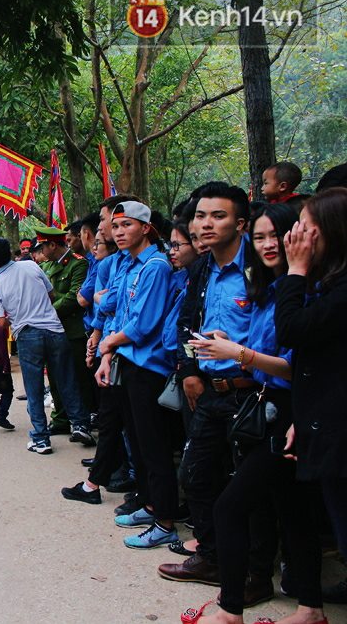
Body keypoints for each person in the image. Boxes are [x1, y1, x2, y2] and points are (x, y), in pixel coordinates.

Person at [178, 203, 318, 624]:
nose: (270, 244)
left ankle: (229, 608)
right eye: (260, 238)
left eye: (278, 235)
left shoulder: (305, 288)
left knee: (234, 506)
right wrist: (225, 347)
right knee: (292, 508)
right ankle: (310, 608)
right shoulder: (270, 290)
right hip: (269, 406)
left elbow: (296, 364)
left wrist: (240, 353)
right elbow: (262, 356)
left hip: (296, 410)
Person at [163, 183, 253, 587]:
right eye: (201, 216)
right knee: (196, 475)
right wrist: (189, 372)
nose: (206, 224)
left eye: (218, 216)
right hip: (208, 393)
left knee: (249, 488)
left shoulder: (262, 268)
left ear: (241, 222)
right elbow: (187, 323)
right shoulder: (200, 268)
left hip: (252, 393)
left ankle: (254, 572)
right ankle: (212, 557)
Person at [275, 188, 347, 621]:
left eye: (305, 228)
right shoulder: (330, 284)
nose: (293, 237)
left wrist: (295, 271)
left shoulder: (339, 291)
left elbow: (292, 330)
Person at [90, 201, 179, 550]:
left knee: (154, 446)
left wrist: (109, 342)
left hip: (147, 367)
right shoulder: (128, 264)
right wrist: (108, 353)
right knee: (138, 444)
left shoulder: (156, 266)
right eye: (116, 226)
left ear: (146, 228)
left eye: (127, 225)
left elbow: (142, 324)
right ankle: (150, 505)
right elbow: (110, 304)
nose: (119, 231)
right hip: (125, 360)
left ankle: (166, 520)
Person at [0, 236, 95, 455]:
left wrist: (13, 316)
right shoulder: (32, 267)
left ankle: (41, 439)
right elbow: (51, 294)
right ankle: (81, 425)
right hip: (55, 330)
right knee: (66, 380)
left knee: (34, 388)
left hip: (27, 335)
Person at [35, 226, 92, 433]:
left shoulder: (78, 264)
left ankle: (83, 420)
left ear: (52, 245)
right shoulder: (47, 267)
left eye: (42, 245)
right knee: (55, 377)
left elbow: (73, 299)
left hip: (73, 330)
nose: (40, 250)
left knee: (77, 377)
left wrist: (47, 311)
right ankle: (60, 419)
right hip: (51, 329)